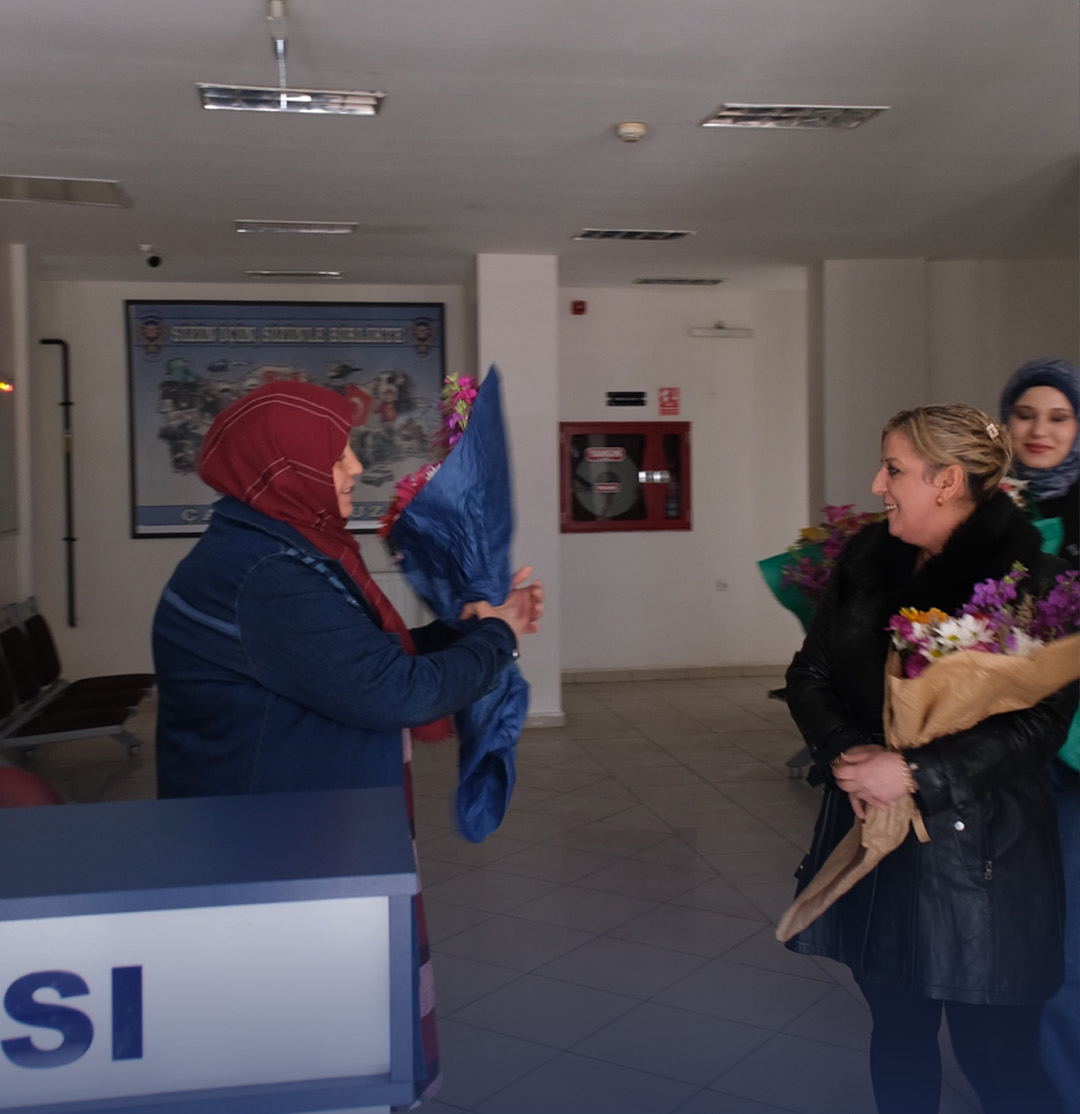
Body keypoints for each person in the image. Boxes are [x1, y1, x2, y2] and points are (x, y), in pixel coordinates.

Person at [152, 379, 543, 1104]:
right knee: (304, 1035)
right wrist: (498, 638)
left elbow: (355, 659)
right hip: (279, 851)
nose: (356, 468)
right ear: (286, 470)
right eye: (336, 455)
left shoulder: (270, 549)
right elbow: (397, 691)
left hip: (287, 831)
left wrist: (467, 629)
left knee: (312, 1029)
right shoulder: (268, 576)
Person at [784, 404, 1077, 1114]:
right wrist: (846, 752)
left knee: (997, 1060)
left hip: (985, 869)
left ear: (946, 481)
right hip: (881, 854)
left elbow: (1039, 726)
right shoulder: (866, 562)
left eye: (894, 468)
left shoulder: (1033, 581)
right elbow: (809, 674)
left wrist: (915, 773)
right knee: (897, 1035)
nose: (877, 484)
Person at [1000, 358, 1080, 1114]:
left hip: (1076, 760)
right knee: (1016, 938)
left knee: (1068, 947)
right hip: (1005, 760)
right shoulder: (990, 510)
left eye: (1059, 416)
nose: (1040, 430)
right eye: (1026, 414)